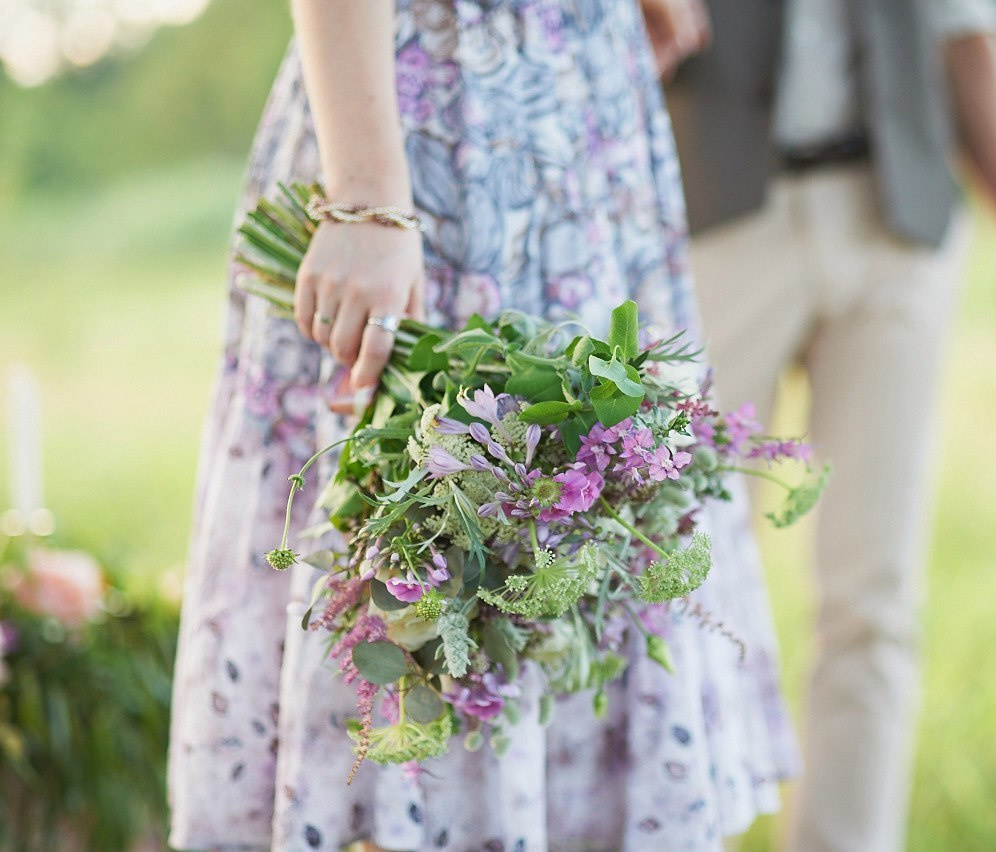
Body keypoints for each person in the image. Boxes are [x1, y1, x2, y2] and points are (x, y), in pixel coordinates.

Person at [166, 1, 796, 849]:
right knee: (416, 535)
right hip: (432, 117)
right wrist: (367, 202)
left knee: (588, 518)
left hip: (578, 113)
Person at [642, 0, 996, 849]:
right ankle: (670, 829)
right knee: (670, 570)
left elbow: (969, 37)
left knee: (874, 599)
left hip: (895, 225)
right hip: (718, 225)